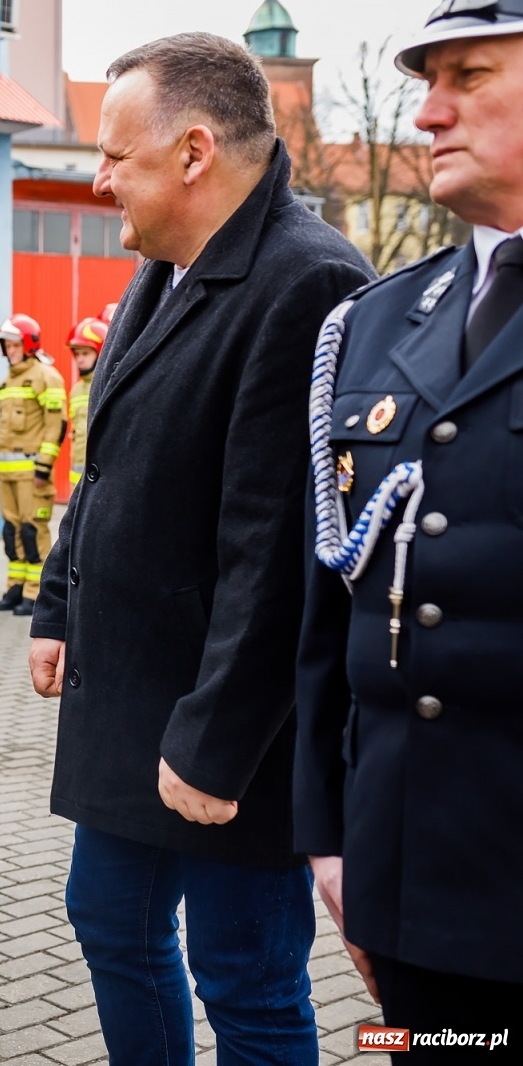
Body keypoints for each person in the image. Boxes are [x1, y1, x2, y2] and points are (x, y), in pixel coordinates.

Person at [25, 33, 374, 1064]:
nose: (96, 181)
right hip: (131, 700)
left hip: (236, 731)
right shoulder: (166, 267)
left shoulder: (307, 283)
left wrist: (215, 741)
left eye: (112, 157)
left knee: (246, 979)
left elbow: (278, 548)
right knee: (111, 925)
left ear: (190, 151)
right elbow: (107, 462)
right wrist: (55, 605)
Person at [294, 3, 523, 1043]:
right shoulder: (379, 318)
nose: (427, 113)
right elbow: (327, 611)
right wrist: (332, 838)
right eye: (425, 80)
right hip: (406, 877)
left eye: (469, 75)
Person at [0, 313, 65, 616]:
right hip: (8, 473)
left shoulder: (46, 376)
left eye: (15, 344)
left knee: (33, 532)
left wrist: (44, 465)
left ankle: (37, 593)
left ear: (29, 344)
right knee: (12, 533)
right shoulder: (9, 379)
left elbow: (55, 423)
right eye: (7, 345)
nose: (10, 349)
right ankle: (15, 587)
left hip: (33, 474)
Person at [65, 317, 107, 489]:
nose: (79, 359)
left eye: (85, 353)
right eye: (77, 354)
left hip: (102, 482)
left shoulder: (108, 386)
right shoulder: (76, 390)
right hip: (77, 478)